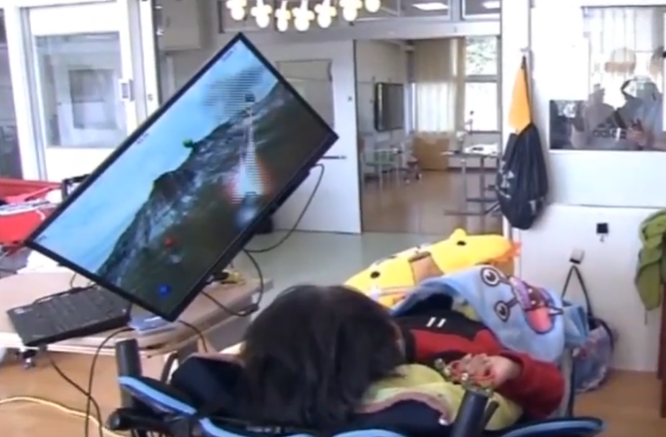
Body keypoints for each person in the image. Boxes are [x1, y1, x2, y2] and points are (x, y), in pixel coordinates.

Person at [170, 285, 564, 433]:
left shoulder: (244, 400)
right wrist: (511, 368)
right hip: (454, 335)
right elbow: (548, 393)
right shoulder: (426, 394)